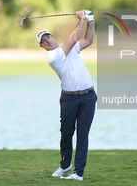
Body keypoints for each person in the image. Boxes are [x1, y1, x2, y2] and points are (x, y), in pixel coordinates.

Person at [36, 10, 97, 181]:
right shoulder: (53, 57)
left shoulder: (68, 49)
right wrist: (81, 19)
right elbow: (73, 39)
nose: (47, 40)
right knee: (66, 134)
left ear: (53, 37)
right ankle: (65, 165)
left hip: (88, 97)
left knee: (82, 135)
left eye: (48, 36)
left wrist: (90, 21)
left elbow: (88, 40)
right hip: (69, 99)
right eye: (44, 40)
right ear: (42, 46)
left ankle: (78, 173)